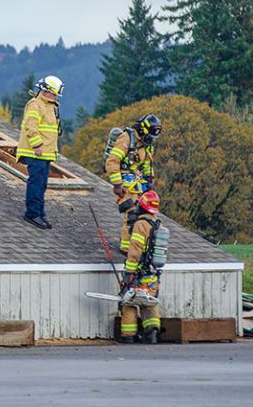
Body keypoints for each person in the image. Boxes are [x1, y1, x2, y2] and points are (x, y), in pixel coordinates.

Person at [105, 114, 162, 254]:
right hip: (125, 179)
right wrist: (117, 184)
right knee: (131, 214)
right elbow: (112, 161)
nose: (151, 139)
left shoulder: (147, 144)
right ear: (143, 129)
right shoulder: (126, 138)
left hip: (139, 181)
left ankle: (140, 245)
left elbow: (148, 164)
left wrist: (150, 180)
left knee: (144, 214)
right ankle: (126, 247)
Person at [16, 75, 64, 229]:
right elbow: (31, 127)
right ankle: (32, 214)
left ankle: (40, 213)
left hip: (46, 153)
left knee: (42, 184)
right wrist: (37, 145)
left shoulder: (51, 106)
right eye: (55, 93)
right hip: (35, 152)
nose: (57, 96)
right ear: (48, 91)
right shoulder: (35, 105)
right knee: (36, 183)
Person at [120, 190, 162, 344]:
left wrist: (130, 271)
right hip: (152, 275)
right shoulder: (157, 224)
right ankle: (151, 335)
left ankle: (128, 336)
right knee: (149, 303)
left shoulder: (140, 225)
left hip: (138, 273)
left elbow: (135, 250)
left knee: (129, 302)